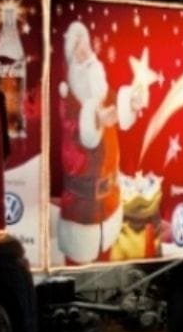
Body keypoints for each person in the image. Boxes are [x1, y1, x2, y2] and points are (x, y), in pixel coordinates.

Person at [57, 21, 146, 264]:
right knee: (77, 268)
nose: (85, 52)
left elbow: (120, 109)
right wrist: (96, 118)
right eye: (77, 48)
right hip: (80, 214)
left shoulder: (103, 91)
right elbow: (73, 141)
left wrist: (132, 103)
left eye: (86, 44)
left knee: (107, 266)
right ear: (71, 60)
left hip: (110, 206)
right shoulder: (68, 101)